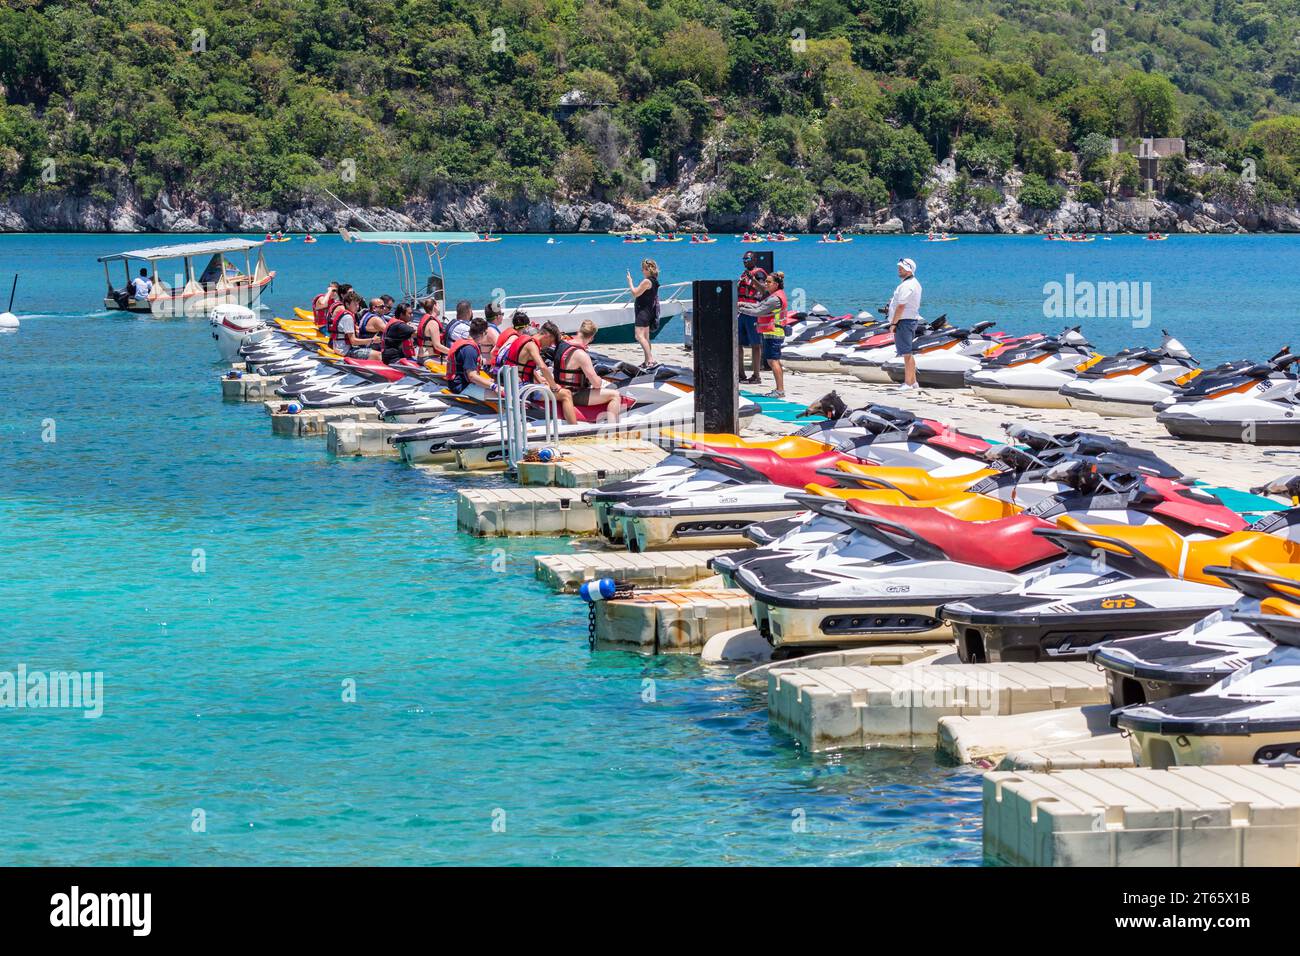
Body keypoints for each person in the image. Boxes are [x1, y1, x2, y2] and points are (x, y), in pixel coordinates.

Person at [545, 319, 621, 423]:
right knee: (615, 395)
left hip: (559, 389)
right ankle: (612, 427)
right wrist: (598, 378)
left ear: (579, 331)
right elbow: (596, 384)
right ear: (591, 337)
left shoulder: (562, 344)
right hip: (574, 394)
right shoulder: (581, 355)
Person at [738, 270, 788, 398]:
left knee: (773, 361)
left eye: (769, 282)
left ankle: (780, 390)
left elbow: (758, 312)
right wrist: (742, 304)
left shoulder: (775, 299)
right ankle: (779, 389)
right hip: (771, 333)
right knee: (773, 361)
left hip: (774, 333)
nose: (766, 284)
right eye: (766, 281)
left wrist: (738, 308)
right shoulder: (774, 296)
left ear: (776, 284)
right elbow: (758, 306)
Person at [887, 257, 923, 391]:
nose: (899, 270)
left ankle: (908, 383)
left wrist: (894, 323)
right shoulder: (913, 283)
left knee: (906, 353)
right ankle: (913, 381)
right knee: (908, 352)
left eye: (901, 268)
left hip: (904, 321)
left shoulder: (908, 285)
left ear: (909, 271)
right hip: (909, 320)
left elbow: (901, 306)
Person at [443, 317, 498, 394]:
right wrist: (493, 386)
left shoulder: (465, 343)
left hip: (458, 383)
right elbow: (472, 376)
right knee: (500, 396)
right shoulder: (470, 349)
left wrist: (486, 381)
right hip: (461, 387)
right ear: (482, 334)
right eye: (486, 333)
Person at [736, 252, 767, 384]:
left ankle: (756, 374)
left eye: (747, 259)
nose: (745, 261)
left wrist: (752, 279)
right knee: (738, 344)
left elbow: (764, 290)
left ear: (754, 259)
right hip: (741, 312)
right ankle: (740, 373)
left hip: (753, 312)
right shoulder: (743, 274)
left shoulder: (759, 273)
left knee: (755, 344)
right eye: (743, 259)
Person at [626, 258, 659, 367]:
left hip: (643, 312)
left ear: (647, 269)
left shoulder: (647, 281)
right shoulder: (654, 281)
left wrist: (630, 282)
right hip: (648, 311)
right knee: (646, 337)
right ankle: (647, 361)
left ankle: (650, 360)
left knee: (639, 336)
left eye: (643, 269)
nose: (642, 271)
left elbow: (635, 293)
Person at [331, 292, 383, 358]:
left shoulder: (343, 314)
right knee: (379, 355)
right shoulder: (348, 317)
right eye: (355, 304)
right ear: (347, 304)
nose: (357, 307)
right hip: (345, 351)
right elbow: (353, 341)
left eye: (358, 304)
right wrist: (372, 340)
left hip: (339, 348)